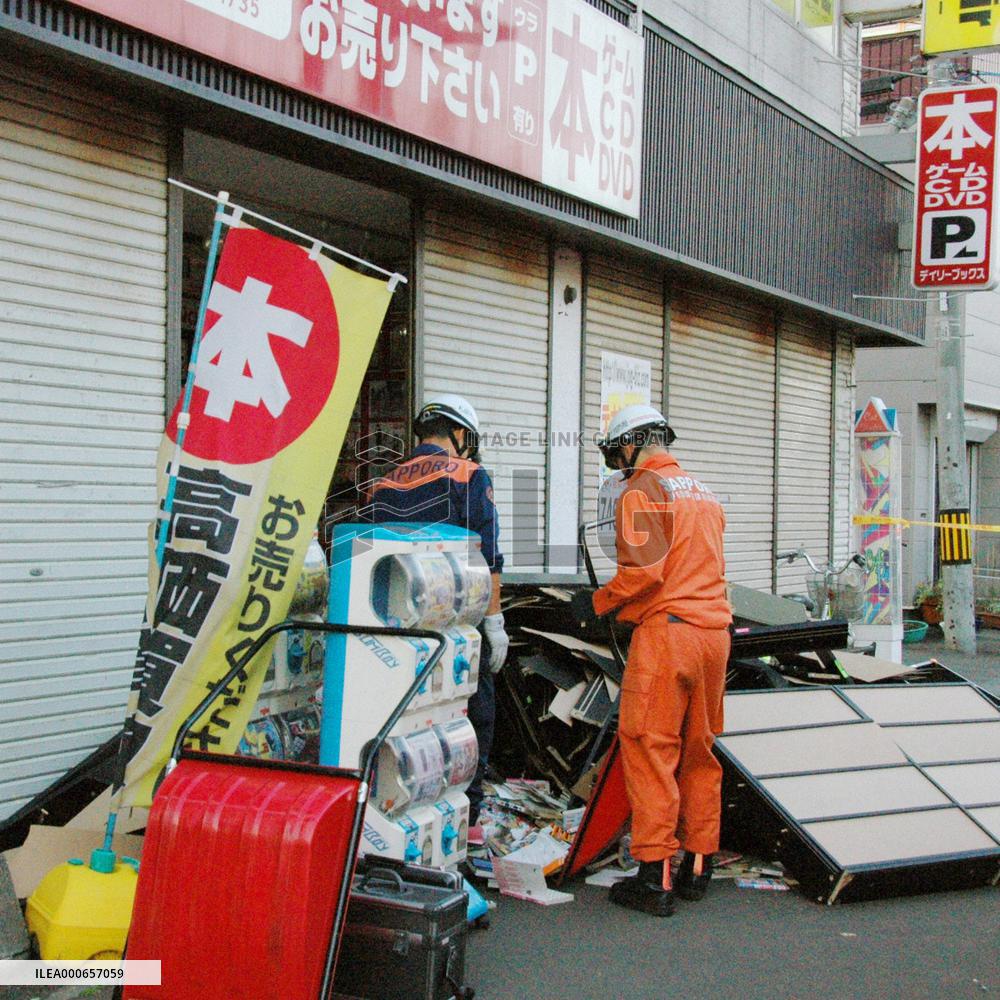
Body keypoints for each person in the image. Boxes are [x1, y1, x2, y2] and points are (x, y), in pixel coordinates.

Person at [571, 404, 732, 917]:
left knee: (649, 747)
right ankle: (698, 865)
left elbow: (644, 573)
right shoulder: (703, 493)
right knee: (699, 750)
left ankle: (654, 875)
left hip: (668, 637)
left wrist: (595, 605)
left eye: (616, 452)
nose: (617, 464)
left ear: (630, 444)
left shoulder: (644, 488)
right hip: (714, 635)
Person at [364, 393, 508, 824]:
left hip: (398, 626)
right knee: (472, 716)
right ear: (460, 434)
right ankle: (468, 815)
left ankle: (405, 812)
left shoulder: (384, 483)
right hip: (457, 625)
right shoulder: (469, 475)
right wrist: (495, 623)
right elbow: (488, 556)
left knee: (411, 723)